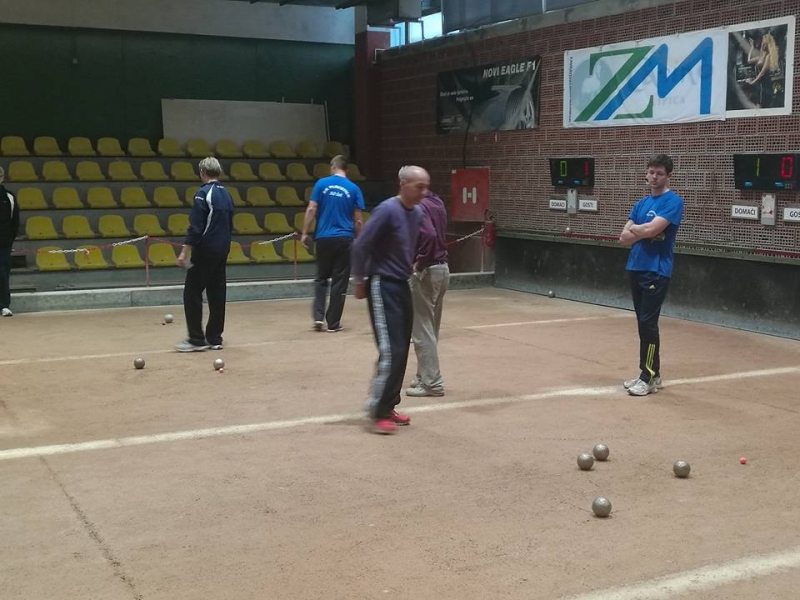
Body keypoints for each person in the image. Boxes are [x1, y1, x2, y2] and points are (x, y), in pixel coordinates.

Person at [351, 165, 427, 434]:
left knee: (402, 347)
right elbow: (361, 246)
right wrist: (359, 280)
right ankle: (377, 410)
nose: (424, 192)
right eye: (419, 187)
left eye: (426, 187)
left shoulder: (417, 213)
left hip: (402, 283)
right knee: (390, 349)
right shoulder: (386, 210)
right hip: (382, 284)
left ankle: (389, 404)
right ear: (403, 184)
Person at [618, 154, 684, 397]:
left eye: (660, 173)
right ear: (646, 173)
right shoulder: (640, 204)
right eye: (651, 172)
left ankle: (647, 377)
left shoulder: (673, 202)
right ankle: (652, 374)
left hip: (656, 271)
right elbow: (623, 238)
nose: (654, 177)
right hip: (636, 267)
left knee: (648, 323)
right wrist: (643, 231)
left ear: (668, 176)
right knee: (643, 323)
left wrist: (640, 230)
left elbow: (651, 229)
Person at [175, 157, 234, 352]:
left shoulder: (203, 193)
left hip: (205, 250)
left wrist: (184, 252)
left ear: (202, 172)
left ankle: (196, 339)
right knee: (217, 294)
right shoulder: (227, 194)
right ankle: (214, 338)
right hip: (222, 249)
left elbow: (196, 226)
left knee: (192, 292)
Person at [301, 155, 365, 332]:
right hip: (344, 238)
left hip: (323, 237)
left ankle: (318, 317)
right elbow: (358, 219)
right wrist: (360, 239)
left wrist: (305, 232)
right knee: (339, 281)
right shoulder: (354, 188)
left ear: (333, 166)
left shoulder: (321, 184)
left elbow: (311, 209)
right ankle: (333, 322)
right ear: (346, 168)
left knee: (321, 277)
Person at [406, 189, 449, 397]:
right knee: (430, 329)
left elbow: (429, 235)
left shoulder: (418, 206)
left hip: (427, 271)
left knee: (422, 330)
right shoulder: (437, 202)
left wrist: (419, 263)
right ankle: (424, 375)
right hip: (442, 269)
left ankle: (432, 382)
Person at [0, 167, 19, 317]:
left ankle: (4, 305)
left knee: (3, 274)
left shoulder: (9, 197)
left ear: (2, 177)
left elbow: (15, 221)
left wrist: (8, 240)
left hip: (4, 244)